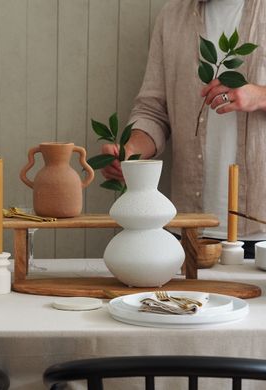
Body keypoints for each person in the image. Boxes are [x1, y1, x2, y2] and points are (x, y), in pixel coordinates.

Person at [101, 0, 266, 258]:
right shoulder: (172, 16)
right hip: (186, 229)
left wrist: (260, 96)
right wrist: (131, 152)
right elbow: (152, 110)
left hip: (261, 235)